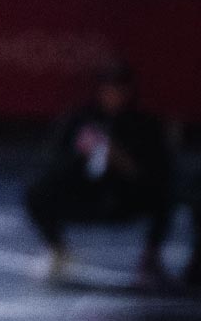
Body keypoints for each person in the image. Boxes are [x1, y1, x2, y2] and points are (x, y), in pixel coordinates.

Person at [24, 61, 175, 286]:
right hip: (86, 191)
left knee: (167, 194)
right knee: (37, 190)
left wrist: (120, 159)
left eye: (120, 89)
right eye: (108, 89)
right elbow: (54, 161)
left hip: (126, 196)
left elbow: (156, 173)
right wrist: (81, 154)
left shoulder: (144, 125)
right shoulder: (80, 119)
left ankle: (151, 258)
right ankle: (59, 251)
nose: (113, 95)